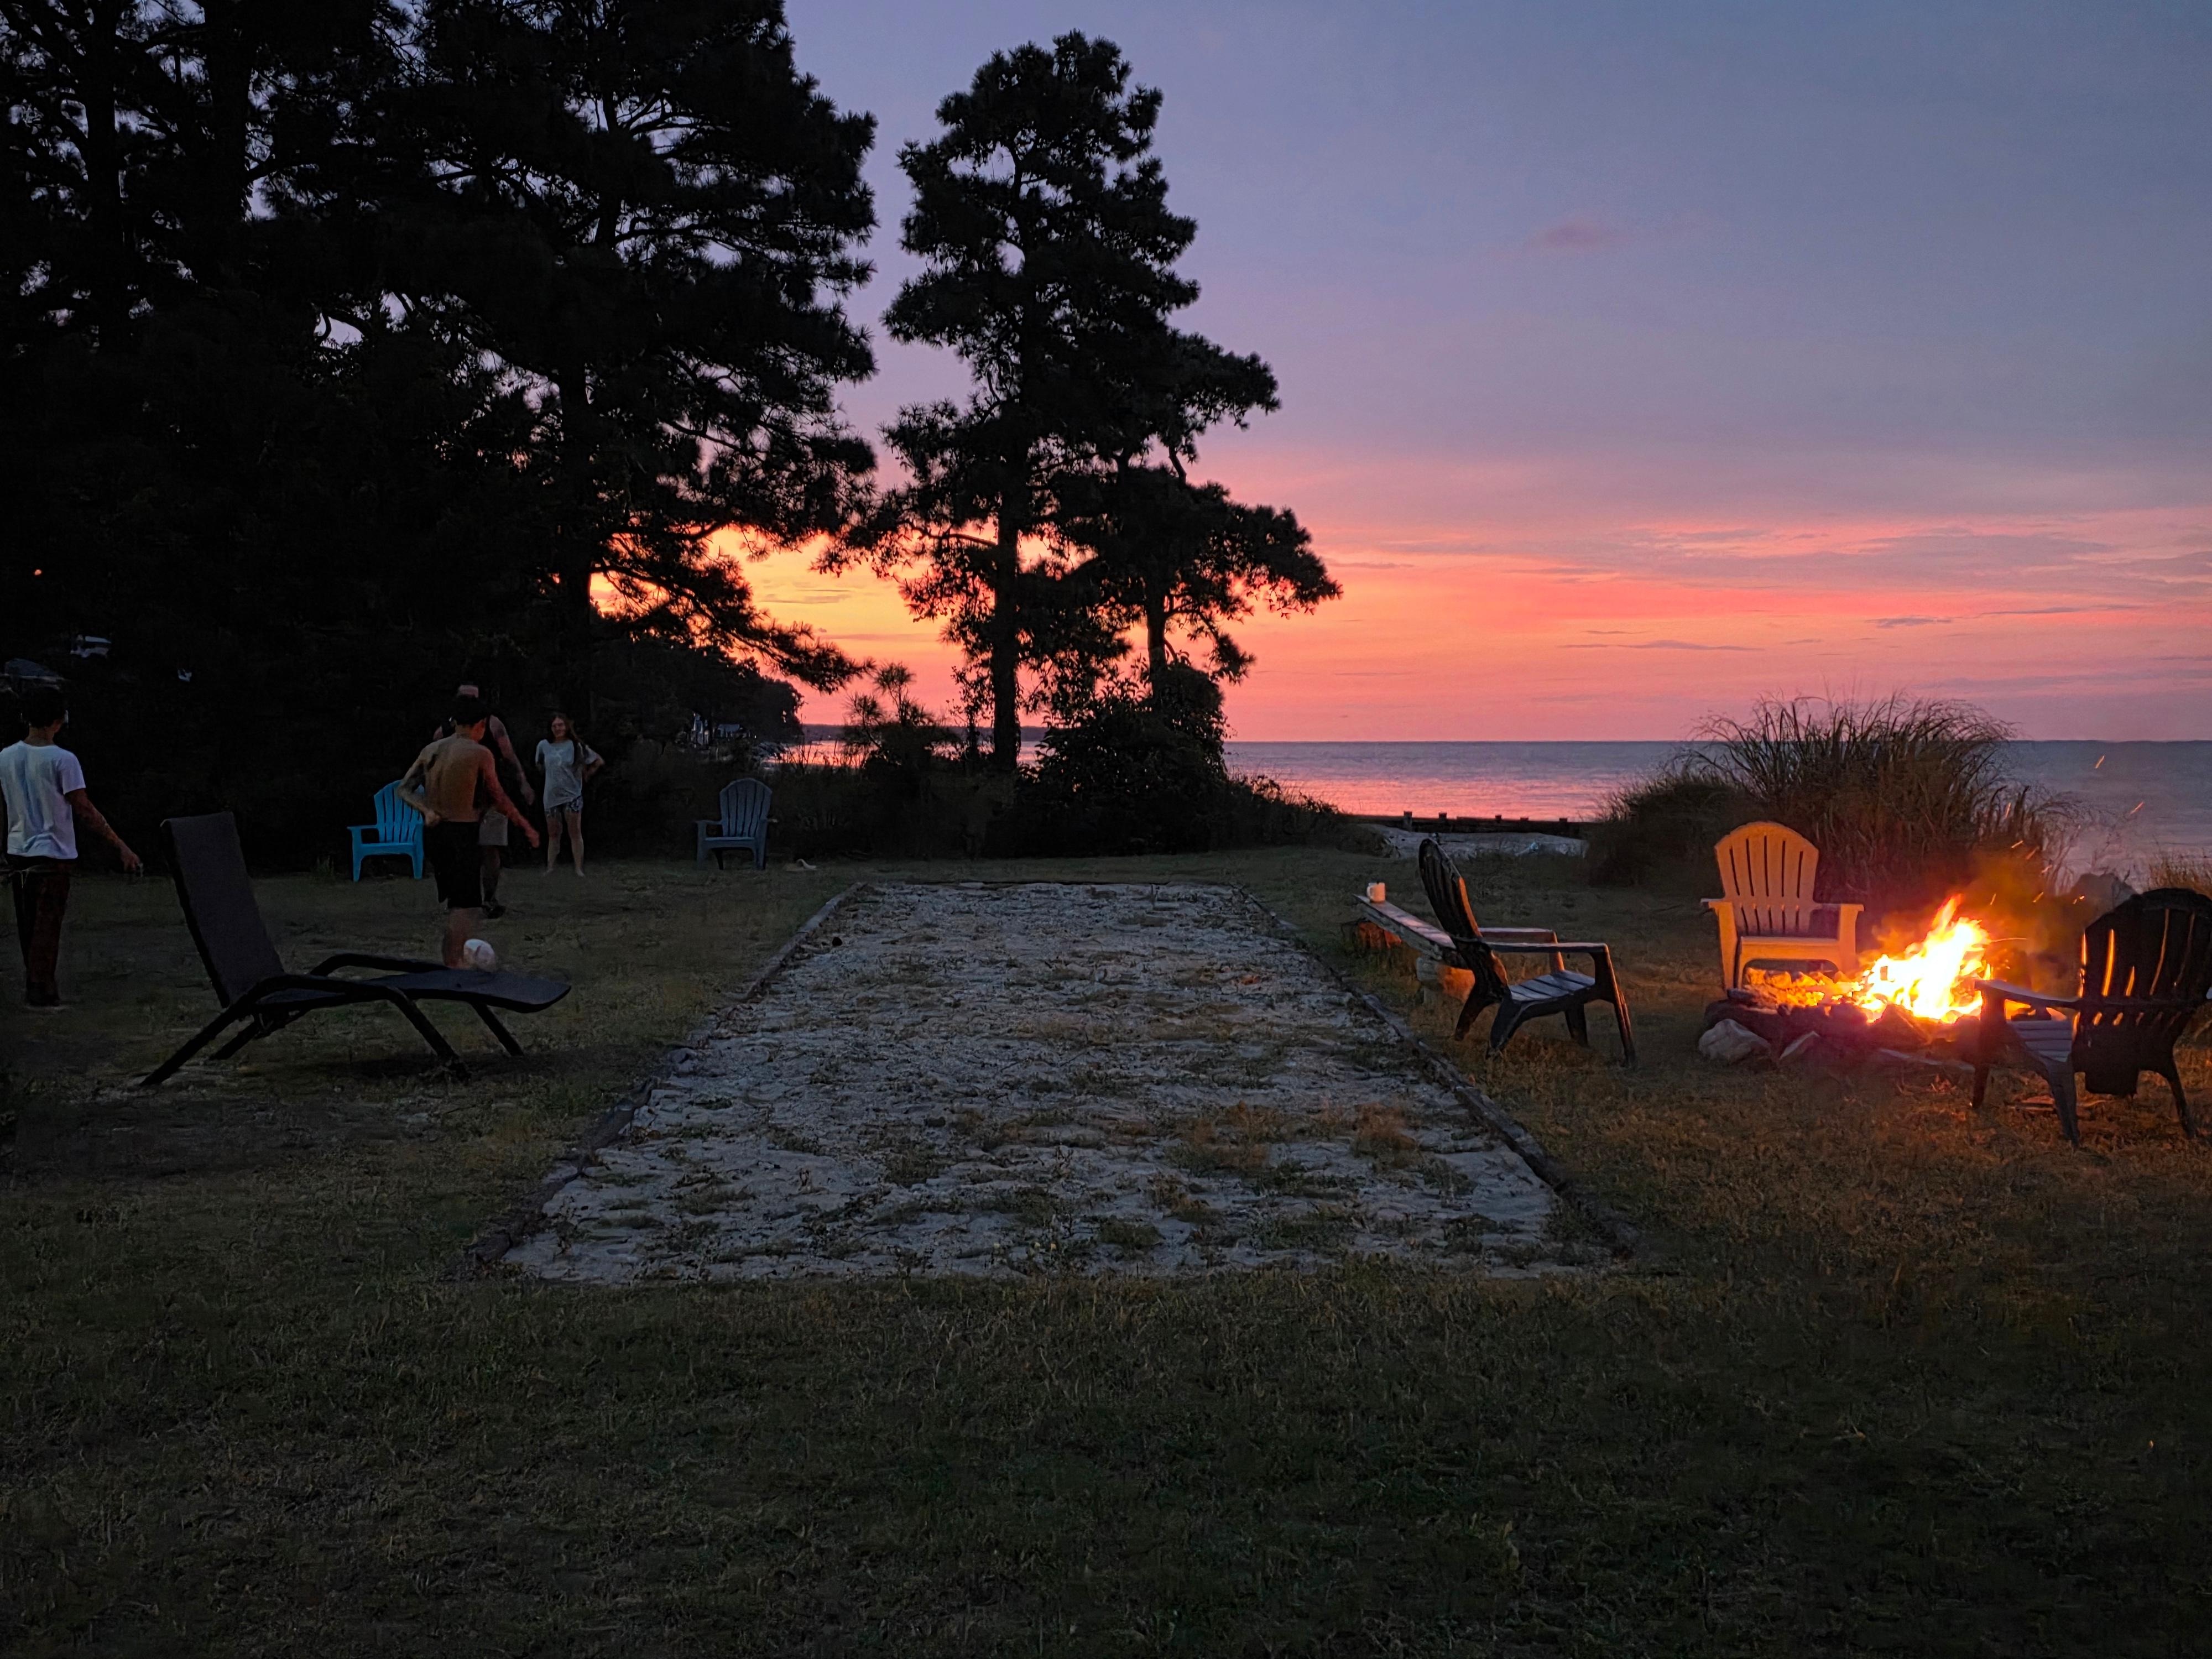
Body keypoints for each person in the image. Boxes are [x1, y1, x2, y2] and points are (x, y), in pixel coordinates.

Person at [2, 684, 141, 1008]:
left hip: (19, 851)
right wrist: (120, 846)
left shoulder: (5, 757)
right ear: (59, 720)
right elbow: (83, 808)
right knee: (47, 924)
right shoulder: (63, 760)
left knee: (29, 925)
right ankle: (41, 990)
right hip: (52, 853)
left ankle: (37, 985)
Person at [398, 694, 540, 968]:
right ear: (482, 725)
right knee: (466, 907)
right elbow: (500, 797)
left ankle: (451, 961)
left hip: (435, 834)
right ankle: (453, 965)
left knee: (457, 904)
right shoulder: (480, 753)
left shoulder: (432, 749)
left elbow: (403, 789)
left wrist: (427, 811)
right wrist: (527, 827)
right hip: (459, 834)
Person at [448, 681, 535, 919]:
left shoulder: (492, 724)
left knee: (491, 848)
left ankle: (489, 899)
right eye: (465, 698)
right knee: (461, 852)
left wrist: (523, 782)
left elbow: (509, 756)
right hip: (459, 800)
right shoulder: (446, 730)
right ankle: (463, 900)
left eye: (474, 698)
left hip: (491, 797)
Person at [534, 712, 604, 875]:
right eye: (554, 726)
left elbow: (598, 760)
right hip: (551, 795)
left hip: (572, 794)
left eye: (560, 725)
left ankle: (579, 868)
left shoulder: (575, 746)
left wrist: (587, 774)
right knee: (553, 832)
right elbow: (539, 765)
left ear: (566, 727)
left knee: (574, 831)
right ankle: (551, 867)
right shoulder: (544, 745)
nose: (558, 729)